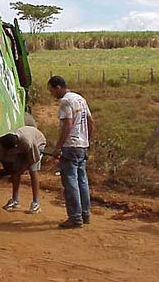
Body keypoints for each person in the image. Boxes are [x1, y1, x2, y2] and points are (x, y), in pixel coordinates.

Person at [48, 76, 94, 229]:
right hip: (82, 145)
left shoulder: (65, 101)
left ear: (58, 87)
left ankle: (75, 217)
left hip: (71, 145)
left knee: (70, 181)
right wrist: (87, 140)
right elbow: (90, 121)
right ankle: (85, 214)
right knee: (82, 180)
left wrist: (58, 147)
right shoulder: (80, 98)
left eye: (52, 90)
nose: (52, 94)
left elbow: (67, 124)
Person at [0, 126, 46, 214]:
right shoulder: (11, 139)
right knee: (15, 171)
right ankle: (15, 200)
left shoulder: (27, 143)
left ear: (15, 147)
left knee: (33, 171)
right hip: (24, 145)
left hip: (37, 144)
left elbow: (33, 159)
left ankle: (36, 203)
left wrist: (23, 169)